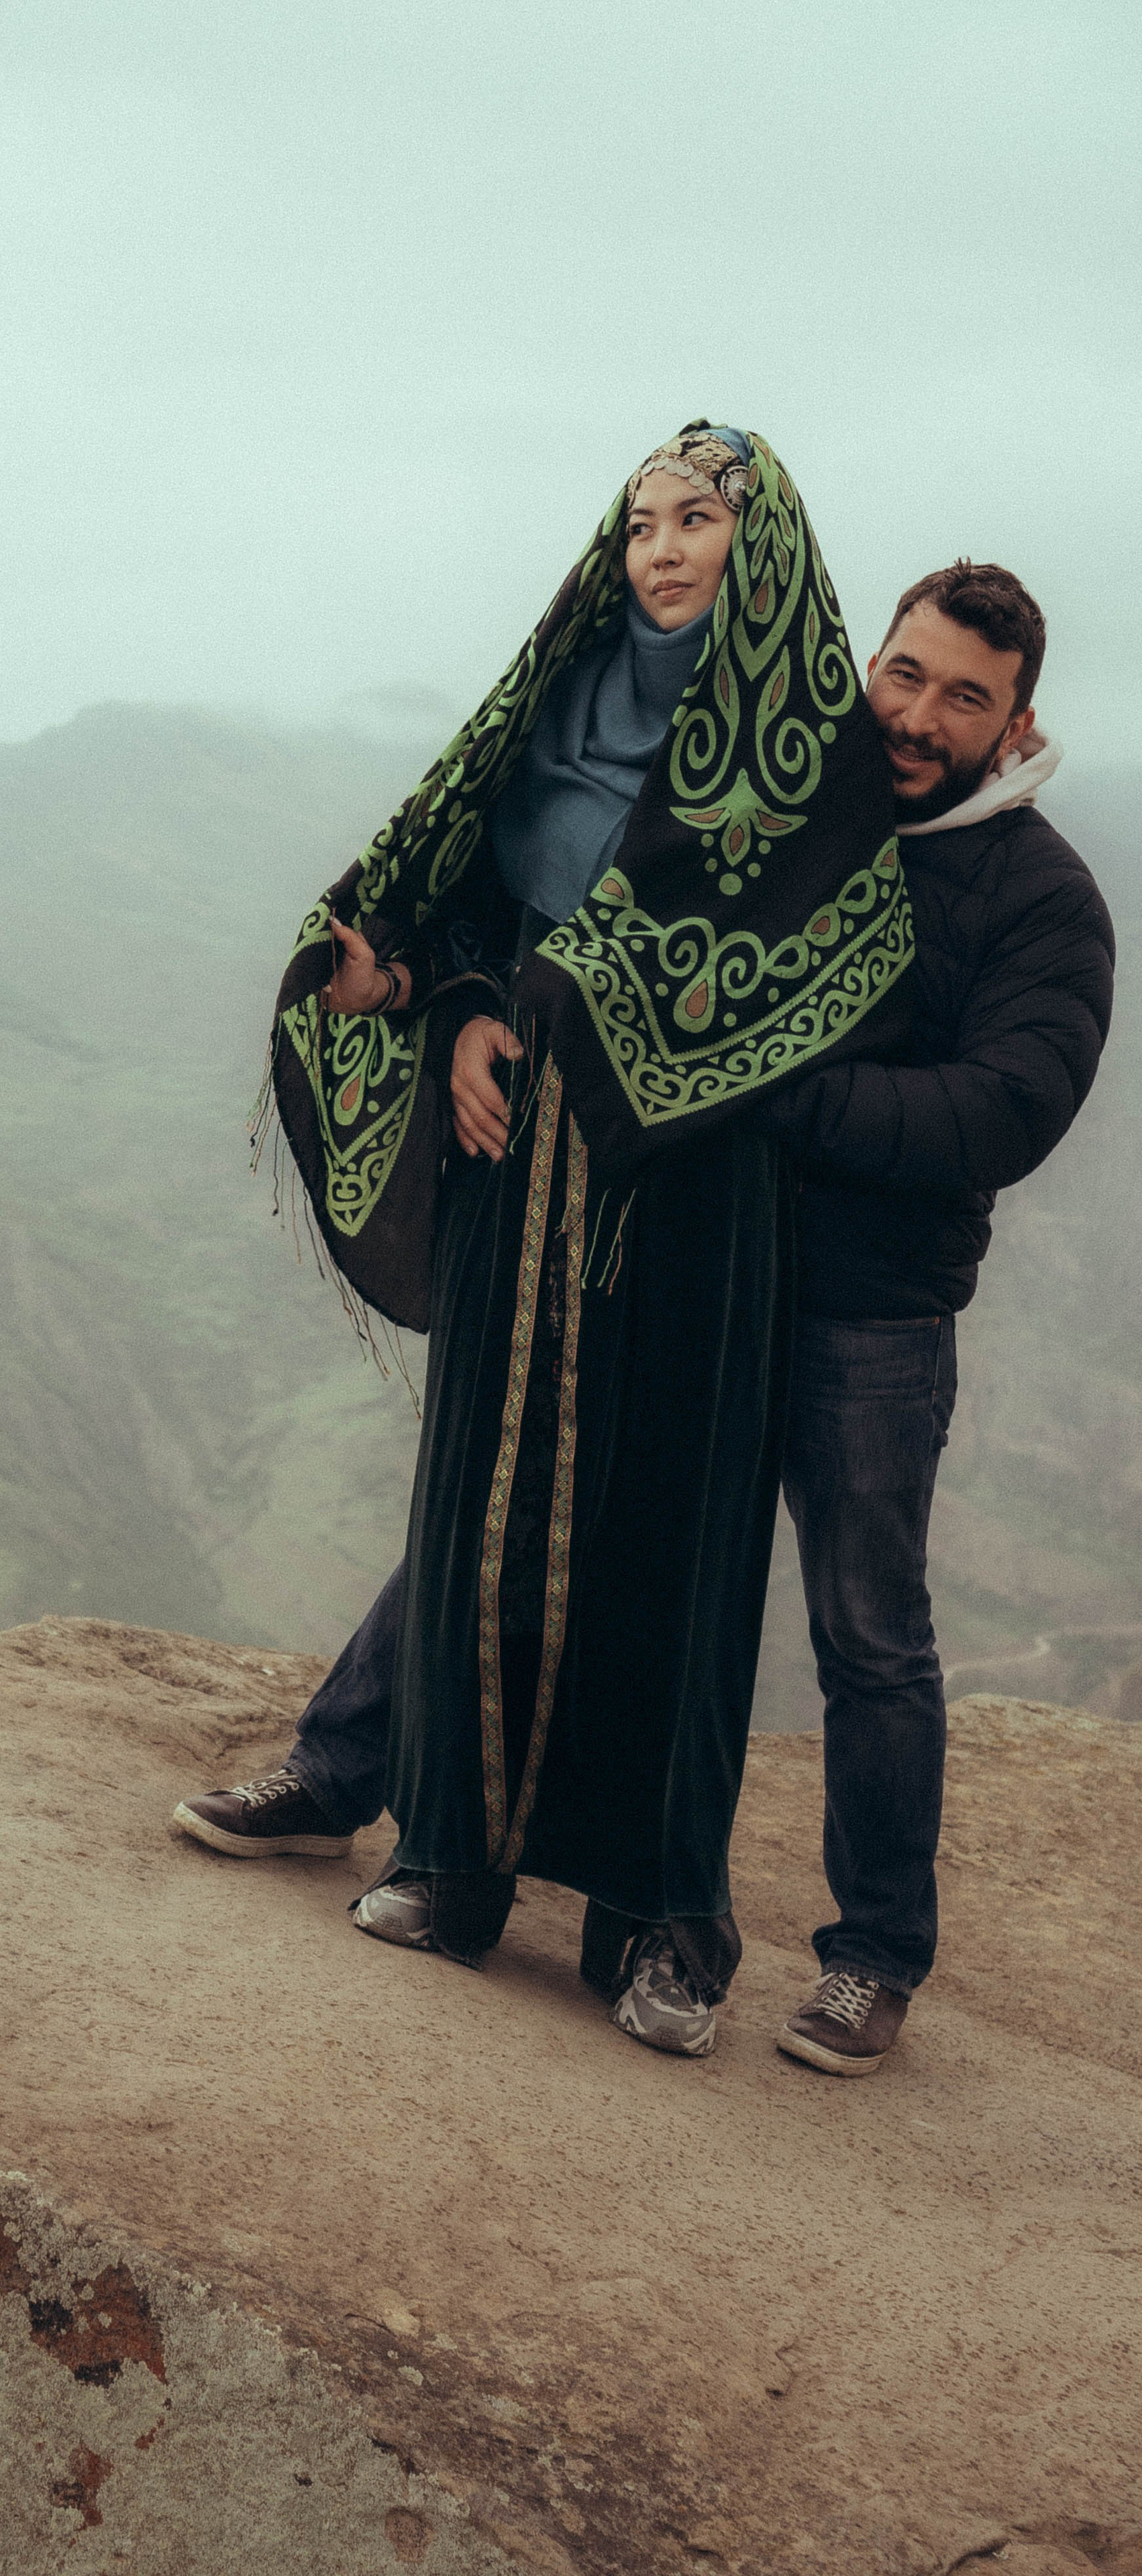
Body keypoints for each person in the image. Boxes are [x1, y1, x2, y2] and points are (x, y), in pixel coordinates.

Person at [175, 549, 1115, 2078]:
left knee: (868, 1630)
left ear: (1014, 728)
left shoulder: (1037, 897)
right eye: (905, 671)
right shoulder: (776, 808)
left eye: (964, 697)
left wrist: (761, 1087)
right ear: (864, 660)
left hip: (859, 1316)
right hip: (677, 1259)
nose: (918, 713)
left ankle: (870, 1960)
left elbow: (998, 1112)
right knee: (514, 1500)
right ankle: (345, 1771)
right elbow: (580, 930)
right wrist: (462, 1003)